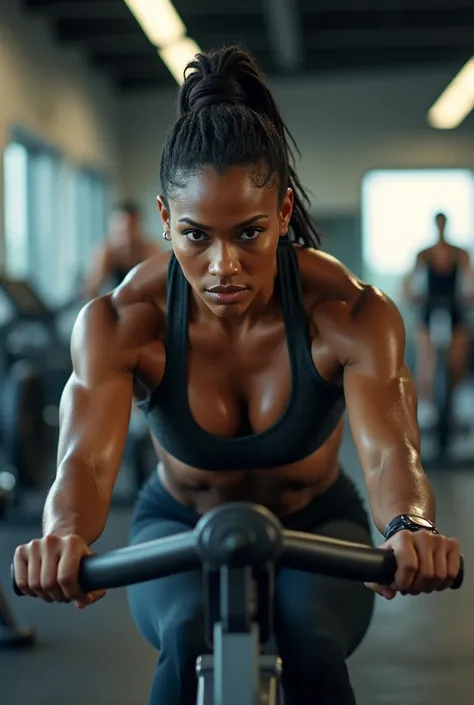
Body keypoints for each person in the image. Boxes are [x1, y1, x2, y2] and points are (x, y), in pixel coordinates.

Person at [13, 47, 461, 705]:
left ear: (282, 214)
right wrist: (64, 534)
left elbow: (393, 450)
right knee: (187, 636)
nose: (224, 264)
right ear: (166, 220)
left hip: (317, 525)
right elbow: (83, 463)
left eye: (249, 233)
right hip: (179, 526)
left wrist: (408, 527)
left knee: (311, 642)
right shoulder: (122, 321)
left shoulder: (350, 314)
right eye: (196, 236)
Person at [404, 212, 472, 416]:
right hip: (429, 308)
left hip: (454, 308)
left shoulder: (460, 254)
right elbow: (409, 280)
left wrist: (469, 295)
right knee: (427, 359)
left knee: (458, 361)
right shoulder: (424, 254)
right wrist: (410, 294)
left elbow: (470, 278)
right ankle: (428, 404)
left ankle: (452, 398)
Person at [82, 201, 160, 299]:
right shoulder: (105, 252)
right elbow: (90, 292)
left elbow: (159, 288)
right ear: (112, 227)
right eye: (121, 229)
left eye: (130, 227)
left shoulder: (149, 249)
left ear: (138, 225)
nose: (127, 235)